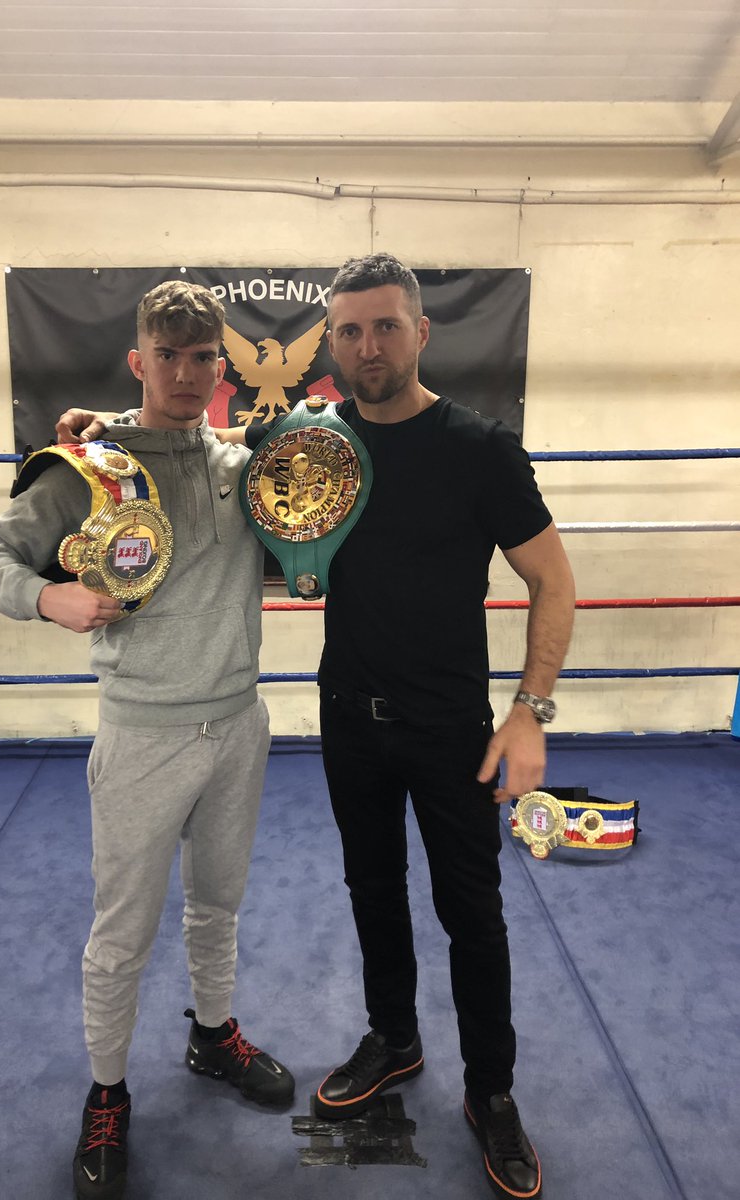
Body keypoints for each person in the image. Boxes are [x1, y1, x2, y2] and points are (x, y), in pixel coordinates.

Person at [58, 253, 575, 1199]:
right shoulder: (306, 441)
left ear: (421, 332)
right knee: (371, 888)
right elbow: (178, 440)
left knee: (474, 914)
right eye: (348, 330)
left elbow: (554, 579)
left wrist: (530, 712)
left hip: (455, 723)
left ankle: (493, 1092)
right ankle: (395, 1038)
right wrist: (99, 433)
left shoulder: (479, 447)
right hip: (350, 718)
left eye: (385, 326)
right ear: (326, 344)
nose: (367, 345)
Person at [0, 280, 294, 1200]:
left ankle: (212, 1032)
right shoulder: (87, 468)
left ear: (222, 369)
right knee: (123, 934)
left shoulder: (240, 461)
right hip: (143, 735)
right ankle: (106, 1092)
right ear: (139, 362)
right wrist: (48, 595)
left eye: (203, 359)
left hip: (240, 722)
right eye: (170, 356)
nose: (186, 375)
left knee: (219, 903)